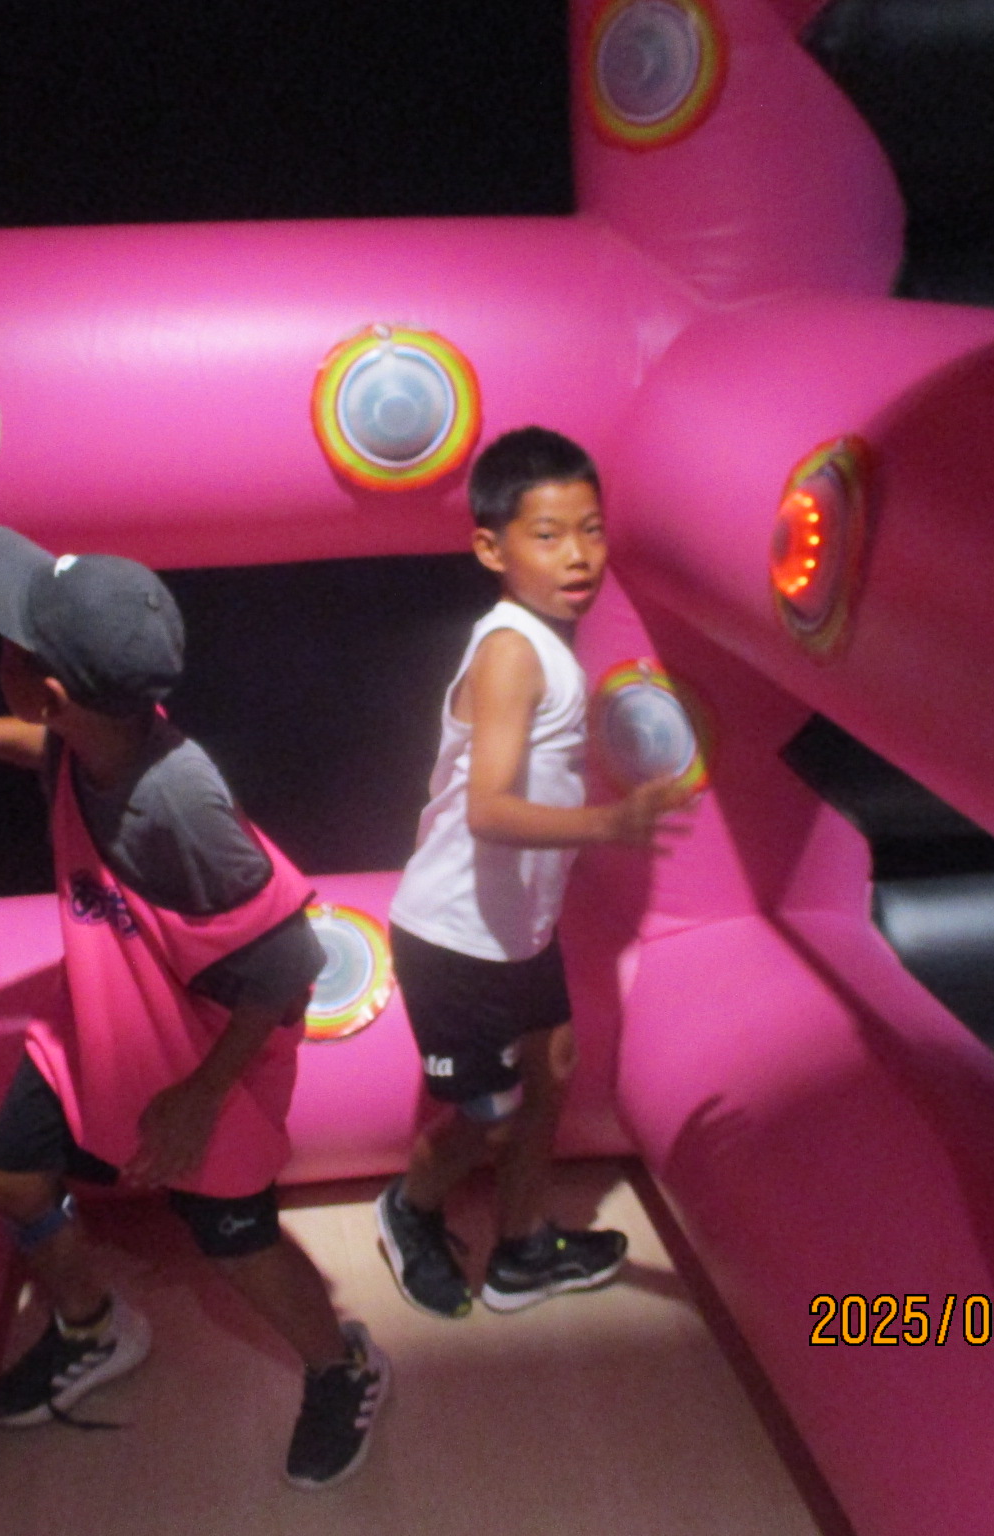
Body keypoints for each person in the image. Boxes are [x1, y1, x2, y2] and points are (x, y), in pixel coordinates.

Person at [0, 528, 387, 1490]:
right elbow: (47, 749)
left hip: (203, 1062)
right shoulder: (93, 734)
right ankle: (94, 1328)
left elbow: (288, 965)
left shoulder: (177, 810)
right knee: (12, 1177)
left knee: (239, 1247)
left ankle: (341, 1363)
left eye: (12, 645)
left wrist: (200, 1097)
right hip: (102, 1025)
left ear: (49, 690)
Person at [378, 426, 689, 1319]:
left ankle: (520, 1250)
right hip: (455, 937)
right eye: (548, 536)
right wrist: (609, 823)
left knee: (554, 1065)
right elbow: (489, 810)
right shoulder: (512, 649)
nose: (578, 555)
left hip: (516, 930)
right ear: (491, 548)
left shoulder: (544, 643)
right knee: (493, 1114)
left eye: (590, 530)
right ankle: (409, 1209)